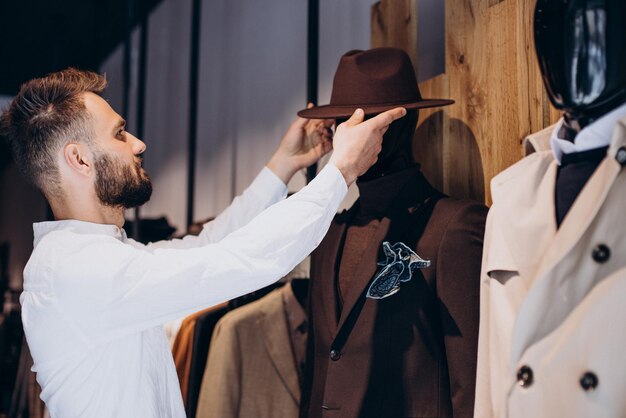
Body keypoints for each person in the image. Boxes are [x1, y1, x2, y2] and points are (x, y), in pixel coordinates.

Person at [0, 68, 406, 417]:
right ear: (80, 159)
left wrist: (283, 165)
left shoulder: (96, 258)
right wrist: (341, 172)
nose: (138, 144)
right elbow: (241, 260)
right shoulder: (80, 272)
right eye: (120, 133)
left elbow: (210, 246)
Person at [298, 48, 486, 418]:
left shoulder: (453, 228)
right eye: (343, 123)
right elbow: (321, 367)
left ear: (397, 124)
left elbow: (473, 383)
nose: (346, 135)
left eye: (364, 122)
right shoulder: (327, 234)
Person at [474, 1, 626, 417]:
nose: (569, 35)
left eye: (593, 12)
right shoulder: (510, 199)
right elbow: (490, 387)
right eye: (551, 15)